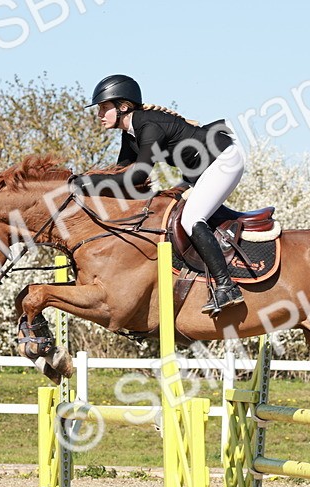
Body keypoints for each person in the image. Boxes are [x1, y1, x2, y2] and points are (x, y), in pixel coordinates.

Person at [75, 74, 245, 316]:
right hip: (199, 170)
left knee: (190, 218)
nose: (99, 114)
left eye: (104, 108)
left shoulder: (149, 126)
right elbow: (120, 174)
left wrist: (89, 181)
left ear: (123, 107)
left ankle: (227, 287)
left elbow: (137, 176)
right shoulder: (130, 133)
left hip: (223, 159)